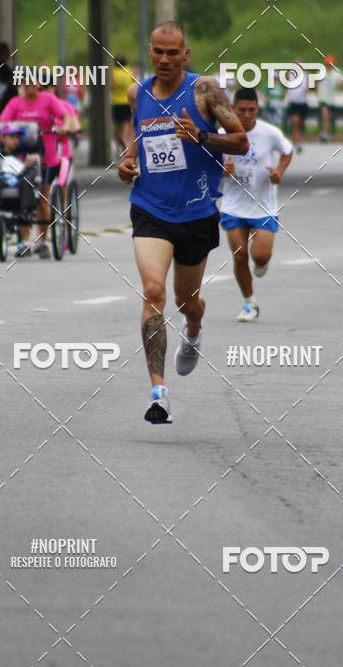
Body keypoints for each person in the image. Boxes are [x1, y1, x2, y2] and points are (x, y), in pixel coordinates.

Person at [118, 21, 248, 424]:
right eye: (158, 51)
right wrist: (127, 162)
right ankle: (159, 393)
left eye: (173, 52)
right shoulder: (136, 92)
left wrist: (201, 137)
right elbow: (136, 140)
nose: (164, 59)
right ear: (150, 50)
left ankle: (193, 329)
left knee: (186, 301)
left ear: (186, 55)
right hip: (151, 209)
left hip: (197, 213)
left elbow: (241, 141)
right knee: (153, 291)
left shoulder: (203, 90)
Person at [220, 88, 293, 321]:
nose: (247, 114)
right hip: (233, 204)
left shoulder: (269, 133)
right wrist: (221, 171)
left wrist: (278, 172)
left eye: (251, 110)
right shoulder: (221, 134)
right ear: (233, 109)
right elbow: (207, 163)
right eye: (242, 110)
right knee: (240, 255)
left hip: (263, 206)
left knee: (260, 257)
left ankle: (261, 263)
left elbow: (287, 151)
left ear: (257, 109)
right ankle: (249, 304)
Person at [0, 82, 73, 257]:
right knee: (23, 196)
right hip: (22, 157)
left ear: (38, 84)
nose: (29, 87)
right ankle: (24, 242)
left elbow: (65, 116)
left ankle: (41, 241)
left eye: (32, 84)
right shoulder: (16, 102)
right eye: (25, 84)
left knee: (43, 199)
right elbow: (3, 123)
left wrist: (64, 126)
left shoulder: (48, 99)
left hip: (46, 156)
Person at [0, 124, 38, 256]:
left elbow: (34, 172)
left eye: (17, 137)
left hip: (20, 183)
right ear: (3, 138)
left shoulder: (26, 155)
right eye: (11, 137)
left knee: (27, 182)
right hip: (2, 183)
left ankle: (24, 214)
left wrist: (27, 165)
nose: (15, 140)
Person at [111, 56, 133, 157]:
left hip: (116, 102)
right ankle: (124, 147)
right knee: (125, 128)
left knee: (117, 129)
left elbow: (110, 86)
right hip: (127, 102)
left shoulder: (113, 73)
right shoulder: (130, 72)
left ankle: (121, 147)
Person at [284, 61, 308, 153]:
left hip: (302, 103)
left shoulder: (306, 75)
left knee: (300, 125)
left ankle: (296, 138)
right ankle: (298, 143)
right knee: (295, 122)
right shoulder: (289, 74)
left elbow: (312, 87)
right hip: (293, 103)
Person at [0, 42, 16, 117]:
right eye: (8, 51)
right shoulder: (0, 66)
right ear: (4, 52)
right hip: (4, 100)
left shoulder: (1, 65)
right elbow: (10, 82)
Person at [317, 55, 340, 142]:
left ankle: (325, 132)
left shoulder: (336, 74)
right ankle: (324, 133)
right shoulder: (321, 73)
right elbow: (316, 84)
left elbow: (341, 84)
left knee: (328, 117)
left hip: (332, 99)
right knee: (325, 115)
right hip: (323, 98)